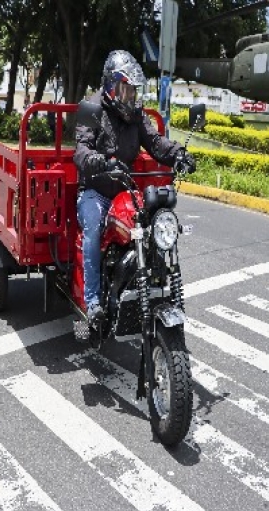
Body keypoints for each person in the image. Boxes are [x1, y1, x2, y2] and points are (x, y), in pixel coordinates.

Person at [73, 50, 196, 324]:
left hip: (125, 191)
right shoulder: (91, 109)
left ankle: (157, 290)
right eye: (126, 89)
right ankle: (92, 303)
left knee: (155, 226)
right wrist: (100, 161)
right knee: (92, 228)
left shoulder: (136, 115)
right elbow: (80, 151)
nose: (131, 95)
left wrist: (178, 153)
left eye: (133, 90)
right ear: (111, 85)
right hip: (96, 191)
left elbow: (155, 142)